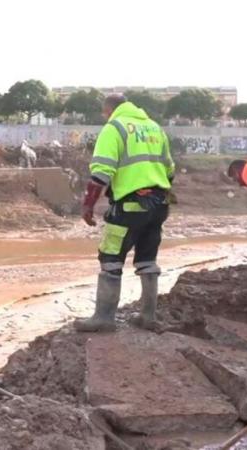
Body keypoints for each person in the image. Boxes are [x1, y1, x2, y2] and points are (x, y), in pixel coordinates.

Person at [75, 94, 175, 332]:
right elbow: (170, 169)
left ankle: (104, 318)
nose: (104, 116)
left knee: (111, 258)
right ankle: (148, 316)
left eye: (104, 113)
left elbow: (101, 173)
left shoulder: (115, 128)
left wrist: (88, 205)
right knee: (147, 260)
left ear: (109, 110)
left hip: (130, 205)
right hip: (159, 205)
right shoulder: (154, 128)